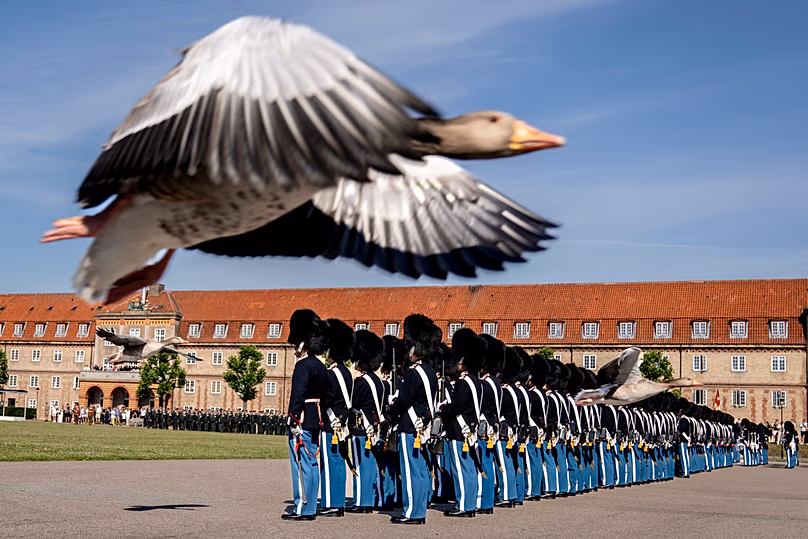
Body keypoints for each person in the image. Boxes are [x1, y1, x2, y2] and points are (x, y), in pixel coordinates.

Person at [388, 314, 440, 525]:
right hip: (423, 426)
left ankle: (413, 512)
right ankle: (419, 508)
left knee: (410, 471)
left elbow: (404, 401)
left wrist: (393, 402)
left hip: (410, 426)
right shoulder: (430, 372)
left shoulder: (413, 372)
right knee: (420, 470)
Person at [282, 309, 330, 521]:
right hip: (315, 418)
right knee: (312, 463)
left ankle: (303, 506)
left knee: (300, 464)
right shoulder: (321, 367)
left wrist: (293, 417)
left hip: (301, 418)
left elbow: (298, 394)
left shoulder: (302, 365)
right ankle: (310, 505)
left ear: (302, 344)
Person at [438, 328, 484, 518]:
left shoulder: (464, 383)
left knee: (460, 469)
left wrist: (443, 408)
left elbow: (456, 407)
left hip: (459, 430)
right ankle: (470, 503)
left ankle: (463, 505)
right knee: (470, 469)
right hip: (470, 430)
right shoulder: (477, 382)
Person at [317, 318, 354, 518]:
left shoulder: (332, 373)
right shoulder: (346, 372)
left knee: (330, 462)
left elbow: (327, 398)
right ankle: (338, 502)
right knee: (338, 462)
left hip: (331, 423)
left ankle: (330, 503)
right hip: (342, 422)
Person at [347, 330, 387, 513]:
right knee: (370, 465)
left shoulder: (362, 382)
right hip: (373, 427)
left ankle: (362, 501)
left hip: (361, 427)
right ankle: (369, 499)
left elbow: (354, 404)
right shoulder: (377, 381)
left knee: (361, 465)